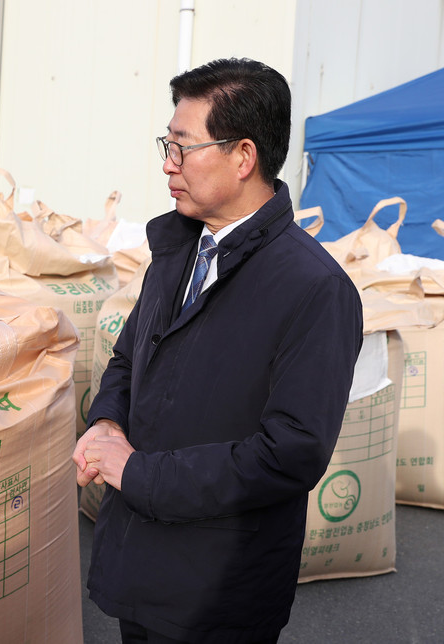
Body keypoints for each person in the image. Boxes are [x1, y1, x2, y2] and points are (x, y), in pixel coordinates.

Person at [73, 58, 363, 643]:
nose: (167, 163)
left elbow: (291, 452)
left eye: (183, 147)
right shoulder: (178, 251)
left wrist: (139, 473)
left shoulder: (313, 288)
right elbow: (128, 359)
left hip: (217, 593)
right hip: (140, 567)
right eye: (167, 145)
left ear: (243, 156)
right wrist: (106, 424)